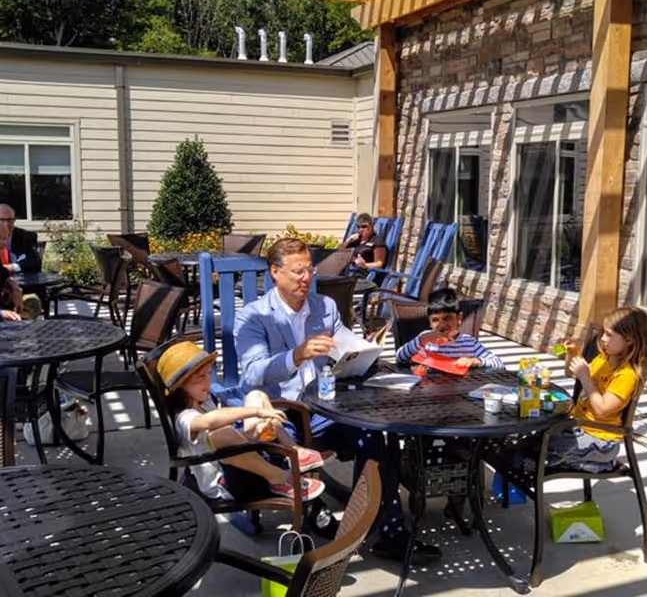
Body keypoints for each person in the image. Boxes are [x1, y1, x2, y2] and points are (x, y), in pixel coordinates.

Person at [235, 237, 442, 563]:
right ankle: (320, 508)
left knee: (372, 434)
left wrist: (362, 349)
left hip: (326, 408)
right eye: (297, 271)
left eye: (309, 270)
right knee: (358, 433)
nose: (306, 278)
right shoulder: (254, 317)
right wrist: (297, 355)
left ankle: (389, 531)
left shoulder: (324, 307)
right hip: (282, 419)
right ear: (275, 273)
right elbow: (252, 374)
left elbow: (343, 345)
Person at [160, 341, 326, 501]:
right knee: (222, 434)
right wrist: (256, 412)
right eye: (200, 378)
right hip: (228, 482)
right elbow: (210, 421)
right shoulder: (184, 418)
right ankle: (278, 477)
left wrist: (256, 428)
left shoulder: (205, 402)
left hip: (246, 462)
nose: (207, 381)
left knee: (256, 395)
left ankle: (294, 452)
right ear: (181, 387)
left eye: (208, 374)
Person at [552, 306, 647, 472]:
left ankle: (600, 464)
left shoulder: (626, 375)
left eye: (609, 334)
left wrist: (585, 376)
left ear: (629, 340)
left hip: (602, 441)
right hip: (578, 428)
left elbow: (602, 410)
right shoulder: (603, 359)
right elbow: (572, 373)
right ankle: (590, 463)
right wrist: (573, 354)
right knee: (536, 440)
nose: (603, 339)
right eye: (603, 333)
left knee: (547, 452)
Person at [395, 287, 504, 370]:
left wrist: (475, 361)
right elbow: (400, 357)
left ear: (459, 318)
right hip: (428, 390)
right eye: (435, 320)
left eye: (447, 318)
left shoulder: (468, 343)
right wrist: (420, 341)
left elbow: (498, 363)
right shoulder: (425, 340)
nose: (442, 325)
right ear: (429, 322)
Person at [0, 203, 42, 273]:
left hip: (20, 280)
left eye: (9, 220)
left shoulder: (26, 236)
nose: (6, 224)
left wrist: (11, 268)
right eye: (1, 220)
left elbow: (33, 262)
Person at [343, 212, 386, 277]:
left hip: (361, 274)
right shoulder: (355, 240)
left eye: (364, 226)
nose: (361, 229)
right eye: (358, 227)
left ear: (371, 226)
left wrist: (365, 265)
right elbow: (338, 252)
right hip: (347, 271)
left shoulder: (377, 241)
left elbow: (379, 264)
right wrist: (348, 241)